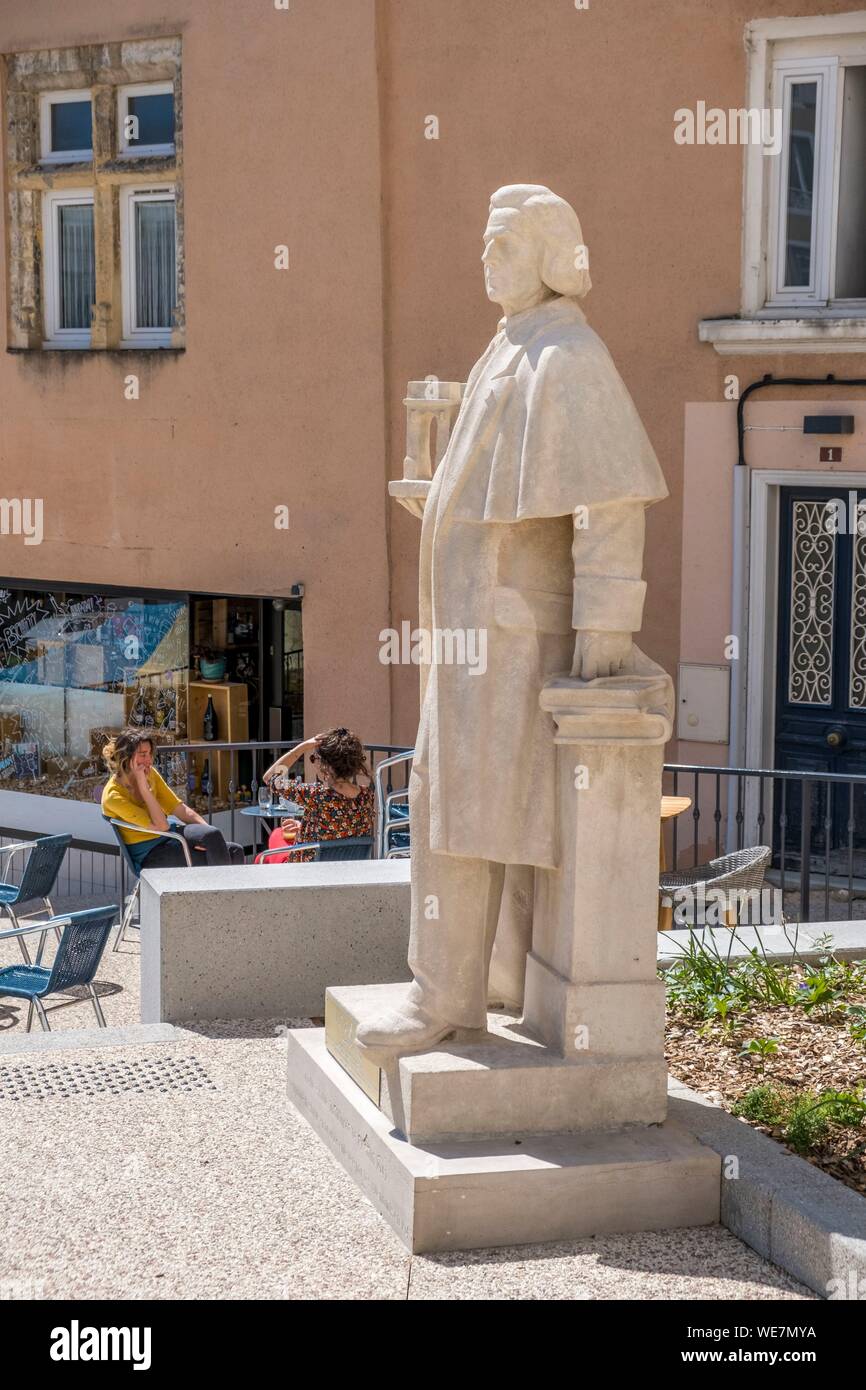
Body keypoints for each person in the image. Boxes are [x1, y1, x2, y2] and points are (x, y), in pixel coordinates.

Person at [355, 184, 669, 1058]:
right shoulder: (513, 345)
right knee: (477, 810)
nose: (484, 261)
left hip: (513, 643)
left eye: (500, 246)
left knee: (467, 811)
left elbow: (613, 506)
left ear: (544, 255)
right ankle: (485, 979)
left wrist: (604, 641)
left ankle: (441, 997)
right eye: (486, 245)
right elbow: (509, 501)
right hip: (476, 641)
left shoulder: (567, 355)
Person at [101, 729, 244, 868]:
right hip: (149, 853)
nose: (149, 760)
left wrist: (214, 841)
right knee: (221, 854)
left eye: (150, 754)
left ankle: (222, 891)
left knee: (230, 847)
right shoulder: (113, 795)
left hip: (171, 837)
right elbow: (162, 826)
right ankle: (220, 892)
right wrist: (145, 789)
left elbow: (180, 809)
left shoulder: (151, 774)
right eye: (143, 755)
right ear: (126, 757)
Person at [261, 728, 374, 861]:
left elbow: (270, 778)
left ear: (326, 765)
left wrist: (301, 748)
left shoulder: (316, 794)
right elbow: (343, 830)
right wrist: (303, 827)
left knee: (276, 835)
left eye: (315, 759)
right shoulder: (366, 795)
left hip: (309, 872)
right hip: (348, 869)